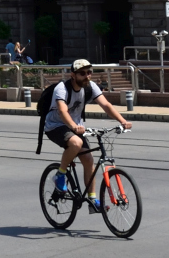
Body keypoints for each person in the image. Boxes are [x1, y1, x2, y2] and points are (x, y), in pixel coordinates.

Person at [42, 58, 132, 210]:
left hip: (76, 127)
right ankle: (60, 175)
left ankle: (93, 201)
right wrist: (73, 127)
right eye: (82, 73)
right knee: (76, 143)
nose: (87, 76)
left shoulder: (91, 87)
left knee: (89, 160)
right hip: (55, 126)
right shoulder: (62, 88)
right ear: (73, 75)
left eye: (89, 72)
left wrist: (123, 121)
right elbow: (62, 111)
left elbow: (106, 105)